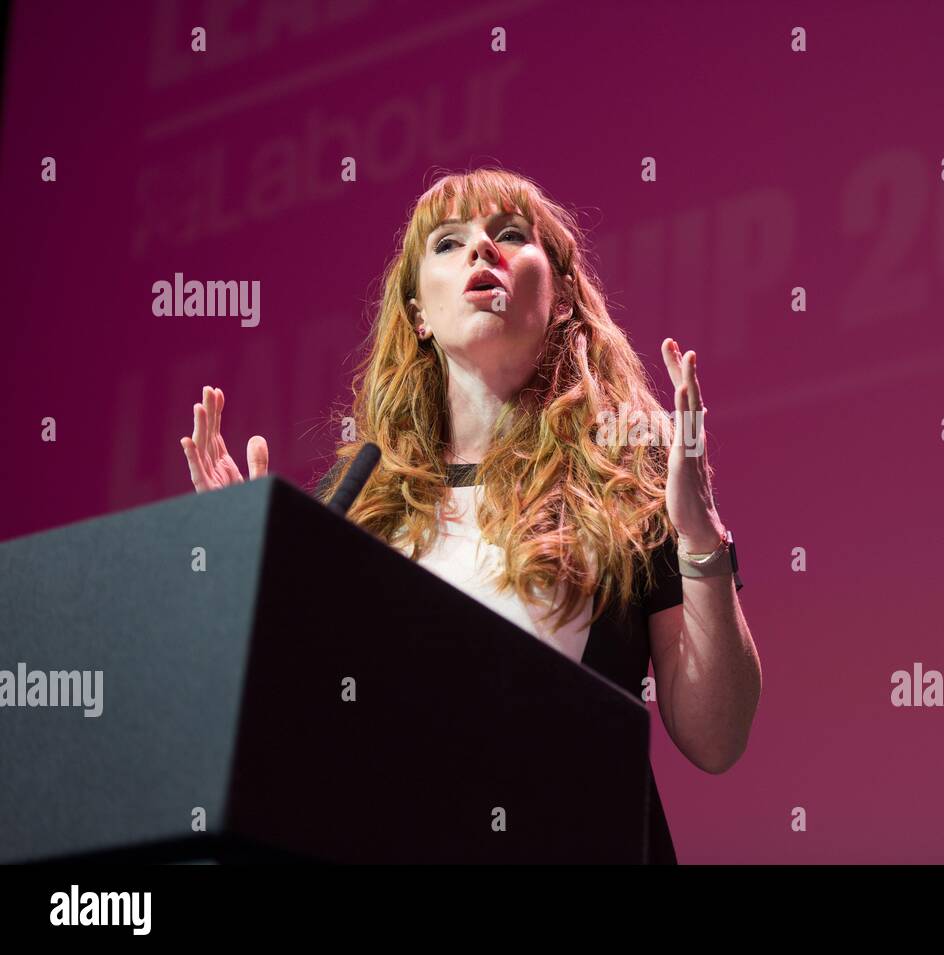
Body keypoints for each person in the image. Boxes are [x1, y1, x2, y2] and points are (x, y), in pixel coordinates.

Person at [179, 166, 761, 863]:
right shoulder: (358, 495)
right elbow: (303, 726)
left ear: (565, 294)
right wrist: (246, 580)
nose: (481, 251)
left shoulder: (630, 477)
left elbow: (716, 737)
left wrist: (701, 538)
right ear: (419, 313)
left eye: (511, 235)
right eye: (448, 244)